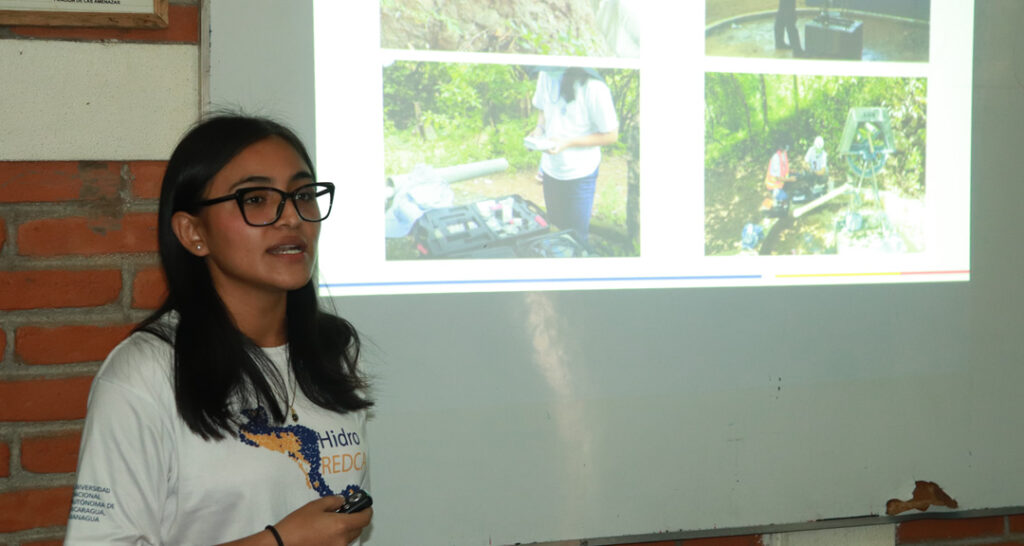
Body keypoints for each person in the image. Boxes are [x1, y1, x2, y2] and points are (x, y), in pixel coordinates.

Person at [65, 115, 374, 545]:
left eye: (303, 194)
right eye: (257, 199)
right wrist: (278, 542)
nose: (292, 218)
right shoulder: (146, 372)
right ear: (193, 233)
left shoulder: (331, 351)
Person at [528, 67, 619, 245]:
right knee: (555, 229)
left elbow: (611, 135)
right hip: (551, 169)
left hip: (580, 173)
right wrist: (539, 129)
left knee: (576, 237)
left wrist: (567, 142)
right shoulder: (546, 73)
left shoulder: (594, 88)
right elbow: (542, 110)